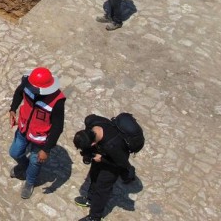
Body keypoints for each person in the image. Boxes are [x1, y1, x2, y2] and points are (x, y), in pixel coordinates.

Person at [8, 67, 66, 199]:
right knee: (14, 152)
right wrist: (13, 109)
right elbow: (18, 92)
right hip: (23, 129)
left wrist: (46, 149)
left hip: (41, 139)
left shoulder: (57, 101)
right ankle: (24, 165)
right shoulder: (28, 83)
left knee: (36, 161)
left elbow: (58, 127)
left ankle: (30, 181)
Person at [72, 115, 137, 221]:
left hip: (114, 162)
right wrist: (90, 155)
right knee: (94, 175)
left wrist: (102, 159)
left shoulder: (113, 146)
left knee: (102, 188)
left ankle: (95, 216)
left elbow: (122, 163)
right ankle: (91, 199)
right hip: (101, 152)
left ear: (93, 143)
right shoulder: (91, 121)